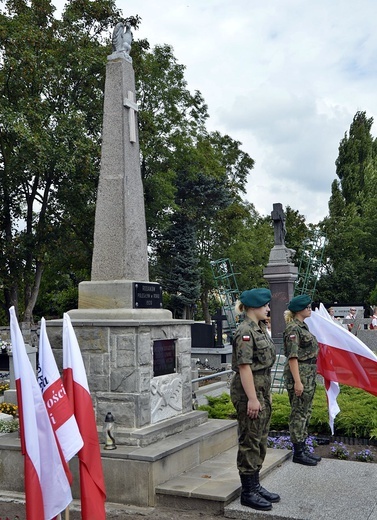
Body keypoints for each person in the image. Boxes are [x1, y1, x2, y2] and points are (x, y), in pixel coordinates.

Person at [230, 288, 280, 511]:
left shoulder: (260, 329)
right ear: (253, 307)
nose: (268, 309)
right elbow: (244, 367)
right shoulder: (245, 331)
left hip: (261, 389)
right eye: (265, 305)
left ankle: (255, 485)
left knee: (260, 438)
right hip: (249, 392)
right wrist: (252, 399)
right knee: (250, 439)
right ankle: (248, 492)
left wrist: (262, 395)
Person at [283, 294, 321, 466]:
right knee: (298, 412)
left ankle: (303, 447)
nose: (309, 309)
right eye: (307, 307)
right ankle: (298, 452)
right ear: (299, 310)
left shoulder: (303, 326)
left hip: (308, 373)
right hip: (300, 375)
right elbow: (293, 357)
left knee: (306, 411)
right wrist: (298, 382)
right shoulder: (293, 329)